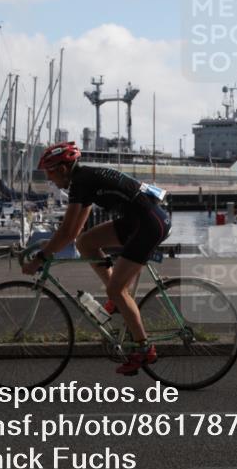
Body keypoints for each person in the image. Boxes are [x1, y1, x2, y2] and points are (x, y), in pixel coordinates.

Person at [21, 141, 171, 375]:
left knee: (116, 289)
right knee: (86, 243)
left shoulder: (81, 182)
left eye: (49, 172)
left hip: (149, 226)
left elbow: (68, 232)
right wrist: (48, 245)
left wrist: (41, 257)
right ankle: (117, 301)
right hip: (137, 221)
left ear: (62, 168)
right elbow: (75, 234)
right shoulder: (84, 179)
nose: (49, 179)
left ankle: (144, 348)